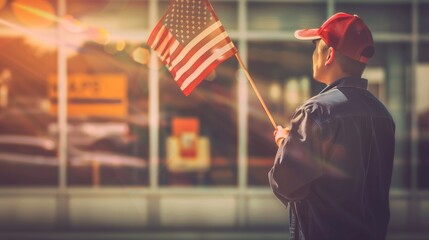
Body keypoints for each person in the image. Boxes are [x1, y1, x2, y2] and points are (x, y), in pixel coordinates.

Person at [268, 12, 395, 240]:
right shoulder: (382, 115)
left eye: (316, 47)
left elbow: (285, 184)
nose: (313, 54)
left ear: (329, 55)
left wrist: (284, 145)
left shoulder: (315, 112)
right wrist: (293, 143)